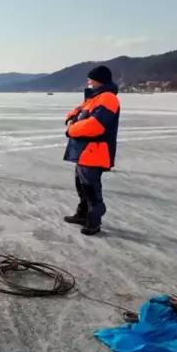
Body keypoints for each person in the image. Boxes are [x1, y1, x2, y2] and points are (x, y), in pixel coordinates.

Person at [63, 65, 120, 236]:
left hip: (95, 151)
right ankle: (83, 214)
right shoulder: (93, 99)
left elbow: (95, 126)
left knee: (91, 188)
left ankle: (93, 221)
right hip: (83, 151)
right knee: (81, 186)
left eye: (91, 80)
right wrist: (70, 121)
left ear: (99, 81)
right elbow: (73, 114)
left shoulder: (108, 99)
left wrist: (71, 130)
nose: (88, 83)